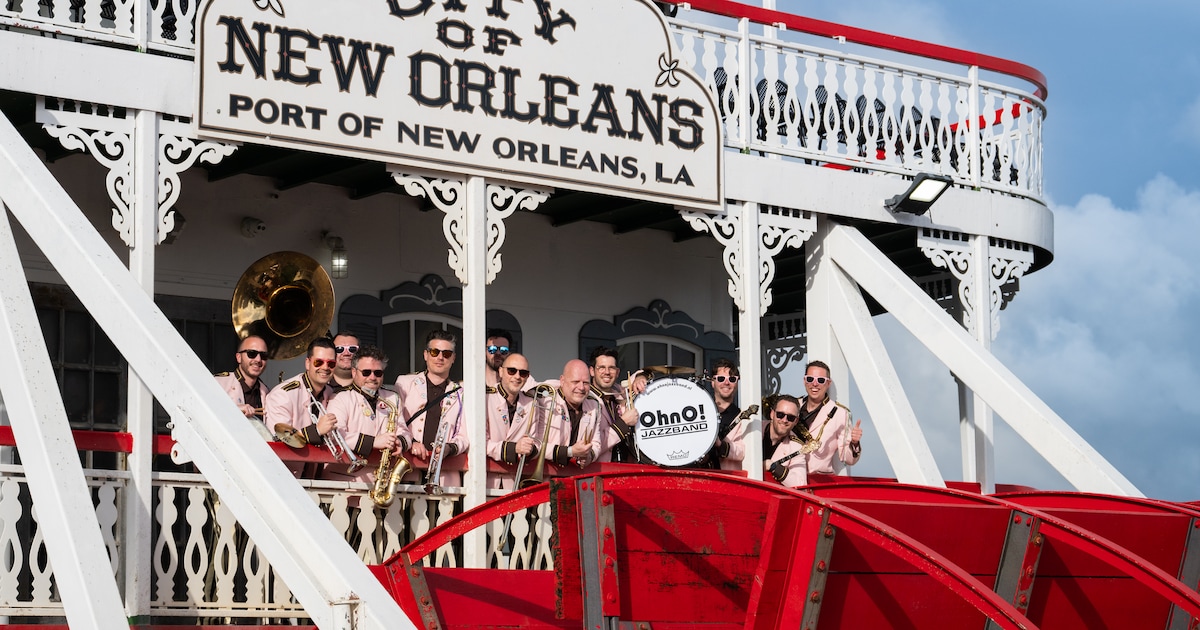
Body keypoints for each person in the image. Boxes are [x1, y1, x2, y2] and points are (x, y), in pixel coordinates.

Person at [324, 345, 411, 484]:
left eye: (378, 373)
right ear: (354, 372)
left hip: (382, 480)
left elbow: (404, 431)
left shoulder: (392, 398)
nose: (372, 377)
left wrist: (399, 441)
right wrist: (374, 442)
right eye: (366, 372)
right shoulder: (340, 397)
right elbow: (335, 436)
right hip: (345, 481)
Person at [395, 330, 466, 488]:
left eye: (446, 353)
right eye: (435, 352)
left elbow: (464, 435)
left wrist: (450, 448)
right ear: (426, 355)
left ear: (453, 358)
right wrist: (411, 442)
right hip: (408, 468)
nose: (440, 357)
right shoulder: (405, 383)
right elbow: (394, 421)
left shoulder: (461, 392)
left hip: (445, 473)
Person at [263, 337, 339, 477]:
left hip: (319, 478)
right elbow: (278, 440)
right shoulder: (283, 394)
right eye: (318, 362)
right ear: (308, 363)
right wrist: (316, 430)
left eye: (331, 363)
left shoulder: (332, 394)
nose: (325, 367)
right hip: (287, 477)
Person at [795, 360, 863, 475]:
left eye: (821, 380)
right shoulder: (792, 406)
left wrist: (855, 443)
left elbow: (848, 458)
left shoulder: (840, 413)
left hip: (818, 480)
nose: (815, 384)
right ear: (804, 380)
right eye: (810, 379)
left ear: (828, 383)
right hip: (789, 475)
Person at [484, 352, 538, 489]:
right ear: (501, 372)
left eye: (523, 373)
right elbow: (480, 443)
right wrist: (514, 449)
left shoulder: (532, 403)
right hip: (486, 482)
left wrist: (530, 449)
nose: (517, 377)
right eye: (512, 371)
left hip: (516, 483)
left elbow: (537, 440)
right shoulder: (485, 397)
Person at [541, 359, 603, 469]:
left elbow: (596, 443)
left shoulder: (595, 405)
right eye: (575, 382)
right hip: (546, 476)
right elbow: (536, 444)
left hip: (576, 478)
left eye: (586, 383)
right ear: (562, 381)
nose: (581, 387)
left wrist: (589, 456)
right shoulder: (545, 402)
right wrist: (570, 452)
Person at [587, 347, 642, 463]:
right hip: (601, 469)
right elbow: (590, 445)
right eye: (601, 367)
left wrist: (640, 378)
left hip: (628, 466)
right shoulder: (585, 399)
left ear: (617, 372)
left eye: (611, 368)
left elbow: (640, 376)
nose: (607, 372)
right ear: (592, 371)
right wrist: (623, 423)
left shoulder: (619, 392)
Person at [702, 358, 749, 471]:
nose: (726, 382)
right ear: (713, 382)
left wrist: (720, 445)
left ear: (737, 383)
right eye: (721, 378)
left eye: (732, 379)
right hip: (697, 475)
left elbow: (745, 452)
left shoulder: (743, 418)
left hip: (726, 481)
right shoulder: (702, 413)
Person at [215, 335, 270, 421]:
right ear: (239, 357)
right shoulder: (218, 383)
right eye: (252, 354)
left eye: (264, 355)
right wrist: (234, 409)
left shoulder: (267, 393)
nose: (258, 359)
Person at [763, 395, 807, 488]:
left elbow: (800, 483)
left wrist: (774, 467)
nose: (784, 420)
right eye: (780, 415)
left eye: (790, 418)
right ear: (772, 414)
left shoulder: (796, 447)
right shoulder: (755, 431)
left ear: (796, 421)